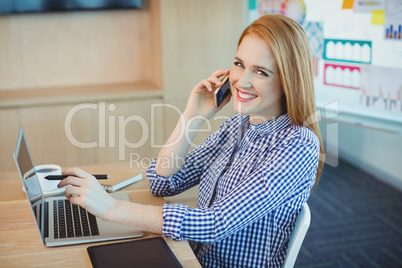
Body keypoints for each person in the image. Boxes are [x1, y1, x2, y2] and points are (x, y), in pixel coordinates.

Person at [58, 14, 325, 267]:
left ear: (289, 81)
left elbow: (215, 223)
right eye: (239, 64)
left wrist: (110, 208)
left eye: (261, 72)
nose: (241, 82)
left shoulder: (298, 145)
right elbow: (162, 181)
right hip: (191, 257)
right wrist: (192, 116)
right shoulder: (238, 126)